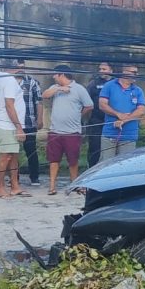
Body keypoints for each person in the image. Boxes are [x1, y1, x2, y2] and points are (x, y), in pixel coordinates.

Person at [41, 65, 93, 194]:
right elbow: (45, 95)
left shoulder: (79, 89)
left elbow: (89, 105)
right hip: (55, 131)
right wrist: (59, 89)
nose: (53, 77)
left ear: (62, 74)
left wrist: (78, 114)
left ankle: (75, 183)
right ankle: (52, 186)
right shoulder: (55, 88)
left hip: (72, 132)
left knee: (73, 159)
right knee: (53, 159)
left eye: (55, 74)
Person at [0, 61, 28, 198]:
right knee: (6, 155)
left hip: (3, 122)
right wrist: (19, 127)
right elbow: (9, 105)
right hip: (7, 124)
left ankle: (15, 185)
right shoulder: (10, 80)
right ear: (15, 67)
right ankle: (0, 187)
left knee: (14, 156)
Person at [98, 62, 145, 160]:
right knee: (106, 164)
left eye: (136, 72)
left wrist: (124, 120)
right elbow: (102, 105)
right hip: (109, 133)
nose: (136, 75)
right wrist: (118, 114)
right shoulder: (109, 85)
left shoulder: (138, 90)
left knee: (126, 164)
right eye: (134, 72)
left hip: (129, 135)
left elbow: (141, 110)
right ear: (124, 72)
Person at [15, 59, 44, 186]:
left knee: (31, 151)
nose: (21, 69)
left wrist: (40, 119)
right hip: (13, 123)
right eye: (18, 67)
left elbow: (39, 101)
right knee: (13, 152)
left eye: (23, 66)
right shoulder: (8, 82)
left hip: (29, 122)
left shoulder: (32, 82)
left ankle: (34, 177)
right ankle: (14, 178)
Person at [86, 61, 114, 167]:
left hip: (113, 120)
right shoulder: (93, 83)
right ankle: (92, 170)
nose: (101, 71)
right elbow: (87, 100)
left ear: (111, 70)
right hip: (97, 120)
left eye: (104, 69)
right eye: (100, 69)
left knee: (111, 148)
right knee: (95, 147)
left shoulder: (116, 83)